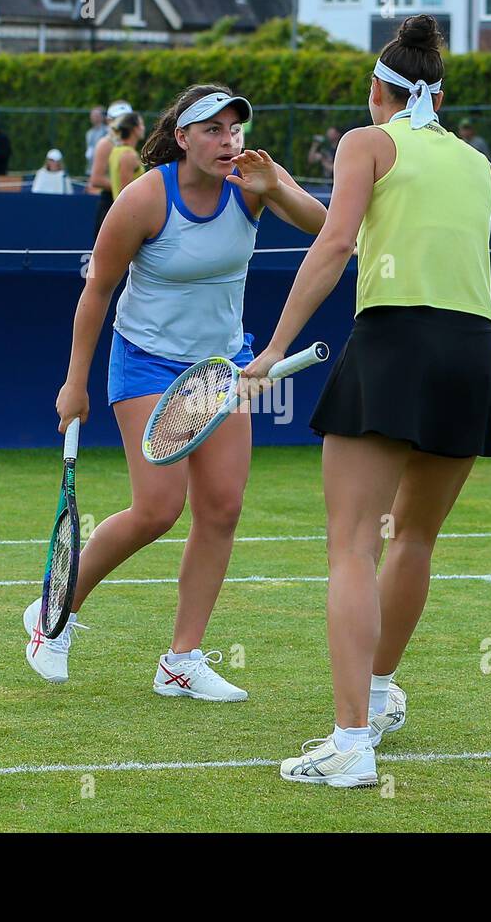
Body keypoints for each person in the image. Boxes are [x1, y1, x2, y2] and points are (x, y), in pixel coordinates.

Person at [243, 13, 491, 787]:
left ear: (376, 90)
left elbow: (335, 247)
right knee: (413, 538)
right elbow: (368, 241)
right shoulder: (478, 165)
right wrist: (282, 188)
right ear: (439, 94)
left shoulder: (365, 142)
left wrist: (272, 349)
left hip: (395, 344)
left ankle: (350, 743)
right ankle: (379, 699)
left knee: (351, 544)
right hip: (475, 353)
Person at [35, 84, 328, 697]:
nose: (228, 142)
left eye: (234, 130)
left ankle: (182, 662)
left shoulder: (251, 185)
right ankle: (54, 614)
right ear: (183, 138)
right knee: (158, 509)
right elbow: (97, 292)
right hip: (144, 362)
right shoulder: (144, 199)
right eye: (213, 131)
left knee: (221, 508)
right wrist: (73, 382)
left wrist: (274, 184)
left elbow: (327, 230)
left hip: (224, 367)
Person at [87, 99, 134, 238]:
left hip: (123, 202)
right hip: (110, 204)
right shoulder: (106, 144)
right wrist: (125, 187)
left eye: (127, 119)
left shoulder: (126, 144)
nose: (123, 124)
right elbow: (96, 179)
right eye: (119, 119)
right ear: (109, 121)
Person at [108, 112, 145, 201]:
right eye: (141, 124)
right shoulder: (129, 155)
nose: (143, 128)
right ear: (134, 129)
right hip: (130, 211)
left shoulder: (116, 151)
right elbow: (125, 193)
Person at [84, 105, 108, 177]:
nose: (93, 117)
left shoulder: (106, 131)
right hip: (90, 167)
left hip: (103, 168)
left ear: (102, 117)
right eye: (92, 115)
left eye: (96, 115)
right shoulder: (89, 133)